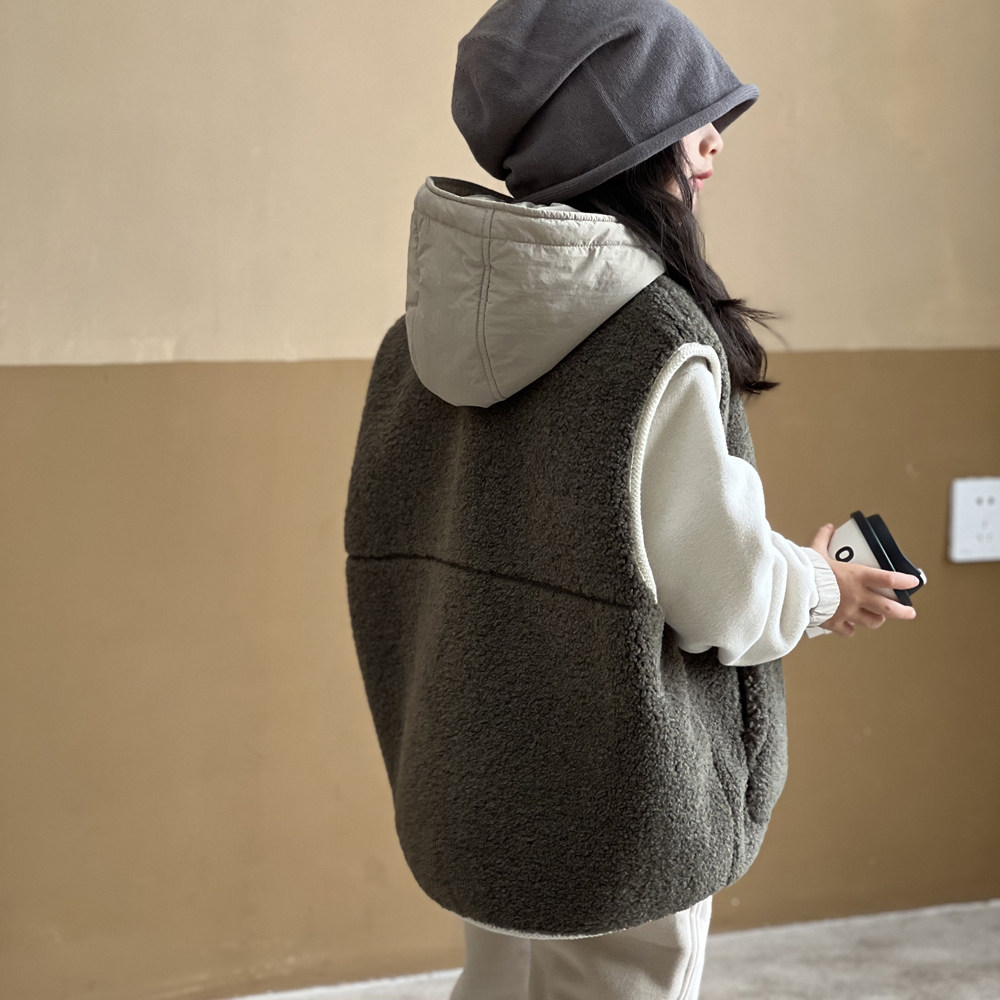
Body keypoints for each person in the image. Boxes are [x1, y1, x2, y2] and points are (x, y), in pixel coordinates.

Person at [344, 1, 921, 996]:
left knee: (501, 982)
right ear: (616, 136)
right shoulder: (653, 343)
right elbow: (723, 594)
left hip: (476, 777)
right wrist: (825, 587)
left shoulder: (419, 337)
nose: (714, 142)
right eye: (688, 117)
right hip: (617, 800)